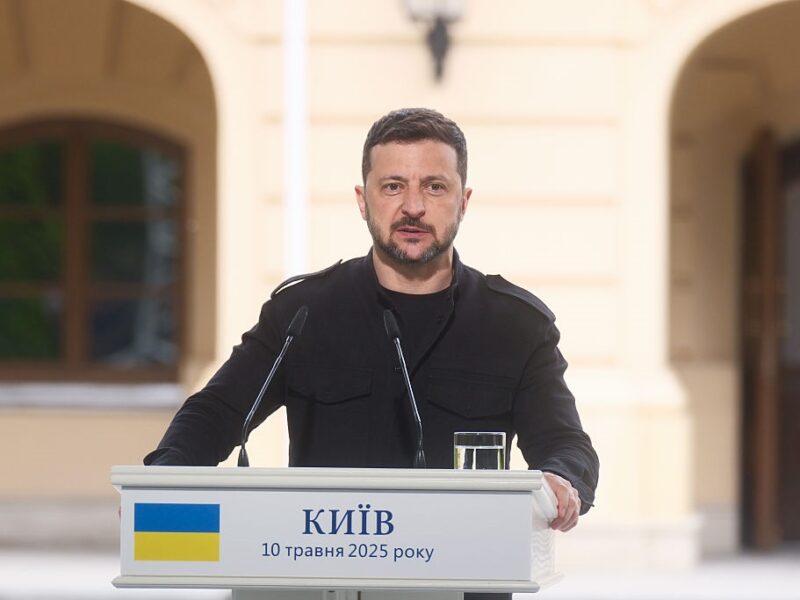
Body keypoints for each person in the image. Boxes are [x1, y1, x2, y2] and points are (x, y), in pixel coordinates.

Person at [145, 108, 599, 540]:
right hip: (325, 571)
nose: (413, 206)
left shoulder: (516, 325)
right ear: (363, 201)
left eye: (435, 187)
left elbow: (566, 445)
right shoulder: (301, 314)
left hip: (465, 574)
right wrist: (163, 479)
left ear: (463, 202)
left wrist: (560, 478)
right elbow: (216, 413)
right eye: (393, 186)